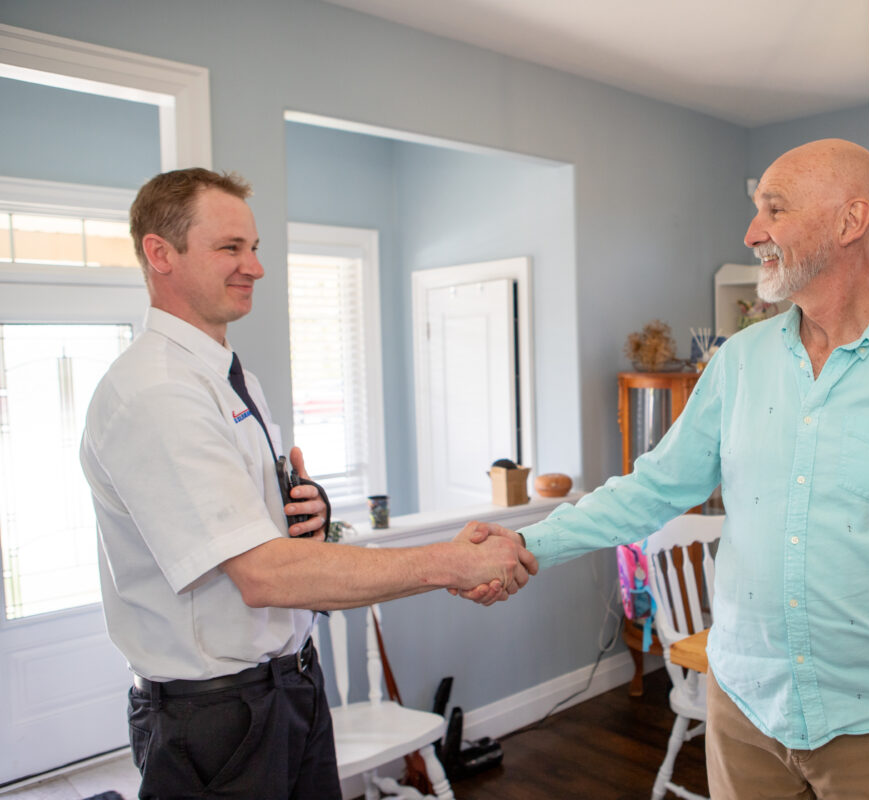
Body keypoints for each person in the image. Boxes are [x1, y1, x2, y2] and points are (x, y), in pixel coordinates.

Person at [461, 139, 869, 798]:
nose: (753, 233)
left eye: (774, 210)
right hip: (745, 710)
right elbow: (652, 488)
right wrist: (528, 543)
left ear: (850, 220)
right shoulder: (737, 364)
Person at [80, 168, 537, 799]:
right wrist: (451, 563)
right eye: (230, 248)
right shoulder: (157, 392)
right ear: (161, 253)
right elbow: (262, 575)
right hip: (219, 718)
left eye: (254, 247)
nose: (255, 267)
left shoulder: (231, 377)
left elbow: (248, 527)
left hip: (291, 684)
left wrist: (299, 510)